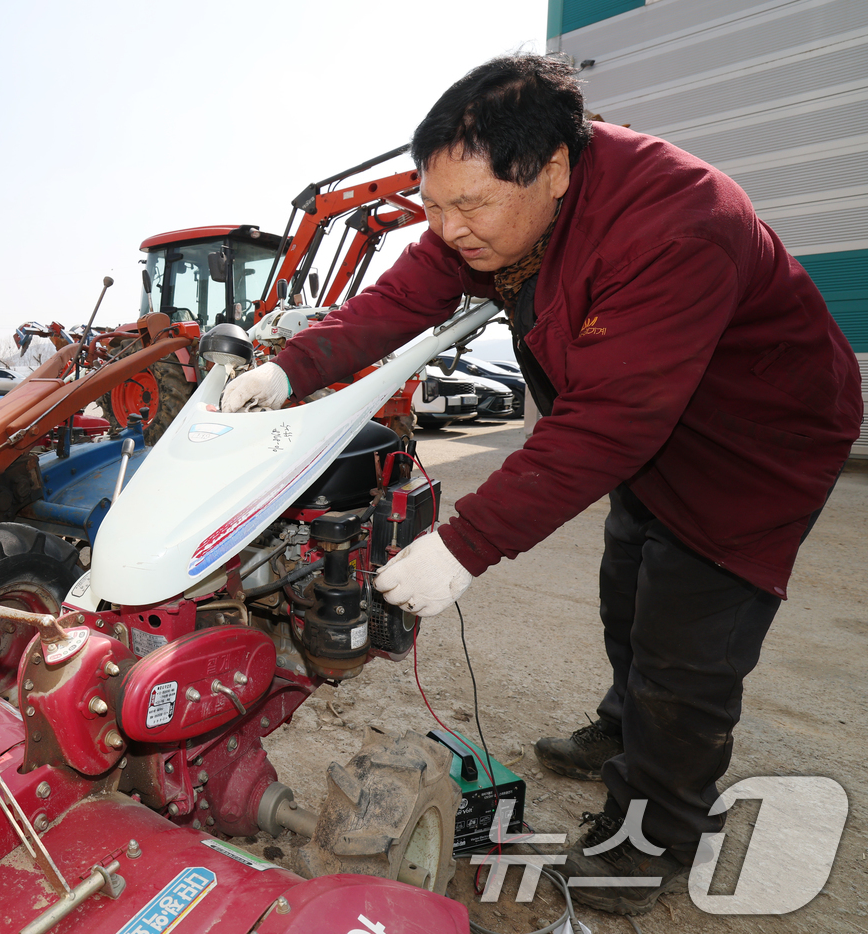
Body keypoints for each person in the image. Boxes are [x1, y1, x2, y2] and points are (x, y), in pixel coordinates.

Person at [222, 54, 861, 915]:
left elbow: (608, 421)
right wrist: (291, 368)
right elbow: (400, 297)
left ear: (555, 168)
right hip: (651, 425)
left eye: (471, 206)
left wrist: (465, 543)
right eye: (435, 206)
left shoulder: (678, 223)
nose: (451, 229)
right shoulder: (494, 213)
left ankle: (652, 843)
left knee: (686, 643)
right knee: (627, 587)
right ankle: (618, 726)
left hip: (753, 445)